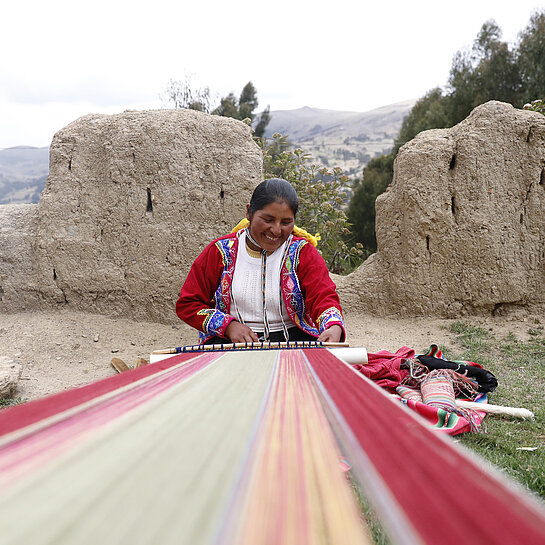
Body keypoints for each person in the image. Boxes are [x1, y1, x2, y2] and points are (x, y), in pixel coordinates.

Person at [176, 178, 345, 345]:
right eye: (268, 220)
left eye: (286, 222)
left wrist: (333, 326)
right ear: (249, 212)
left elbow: (322, 296)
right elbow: (189, 303)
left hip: (294, 343)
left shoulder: (303, 252)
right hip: (230, 342)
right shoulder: (220, 252)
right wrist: (228, 326)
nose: (276, 230)